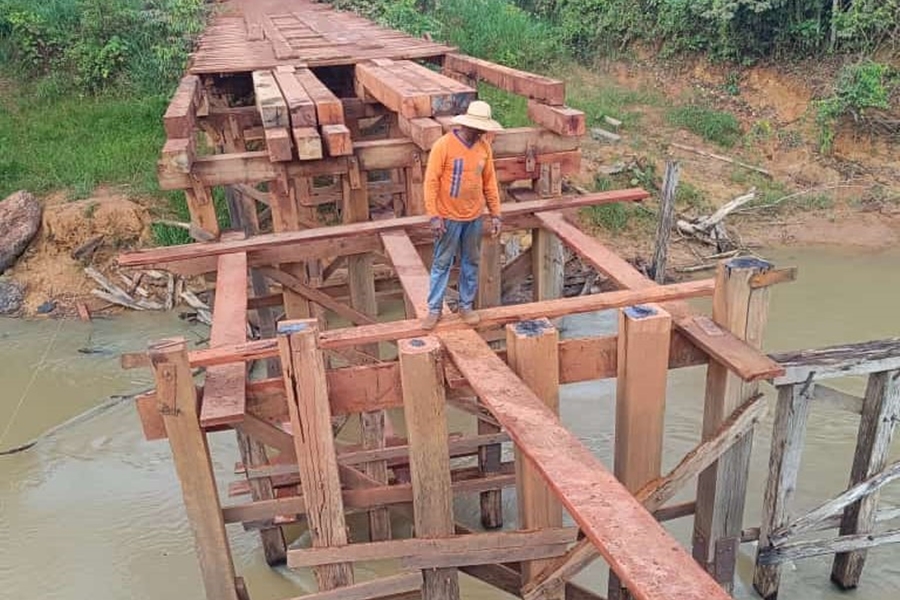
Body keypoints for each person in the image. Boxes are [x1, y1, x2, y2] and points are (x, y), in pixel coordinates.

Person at [421, 100, 503, 331]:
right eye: (478, 128)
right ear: (467, 125)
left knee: (471, 261)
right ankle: (434, 309)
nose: (481, 133)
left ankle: (465, 306)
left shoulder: (484, 147)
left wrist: (496, 214)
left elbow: (489, 182)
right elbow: (431, 181)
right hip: (448, 217)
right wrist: (434, 215)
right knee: (442, 262)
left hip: (474, 216)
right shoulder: (444, 145)